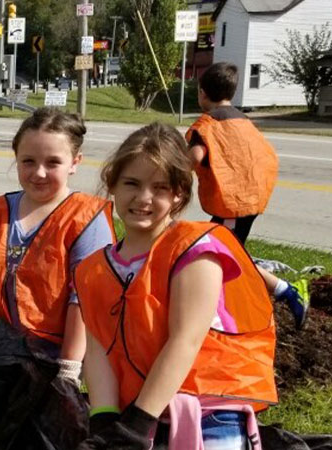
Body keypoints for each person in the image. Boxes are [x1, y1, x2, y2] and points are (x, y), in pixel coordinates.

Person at [76, 123, 276, 449]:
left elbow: (186, 339)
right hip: (140, 410)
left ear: (179, 193)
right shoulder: (92, 269)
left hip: (209, 409)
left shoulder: (195, 248)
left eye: (160, 188)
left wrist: (136, 425)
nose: (144, 198)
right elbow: (97, 348)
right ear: (111, 183)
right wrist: (105, 420)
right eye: (132, 183)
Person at [0, 107, 114, 384]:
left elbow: (84, 298)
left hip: (58, 359)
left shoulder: (86, 218)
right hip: (0, 355)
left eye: (53, 162)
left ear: (75, 162)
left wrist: (68, 368)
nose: (39, 173)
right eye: (28, 161)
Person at [186, 62, 309, 329]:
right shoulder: (243, 121)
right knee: (225, 253)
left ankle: (286, 291)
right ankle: (231, 305)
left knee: (219, 255)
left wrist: (174, 176)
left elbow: (194, 158)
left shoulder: (206, 126)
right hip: (249, 200)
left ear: (202, 93)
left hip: (232, 205)